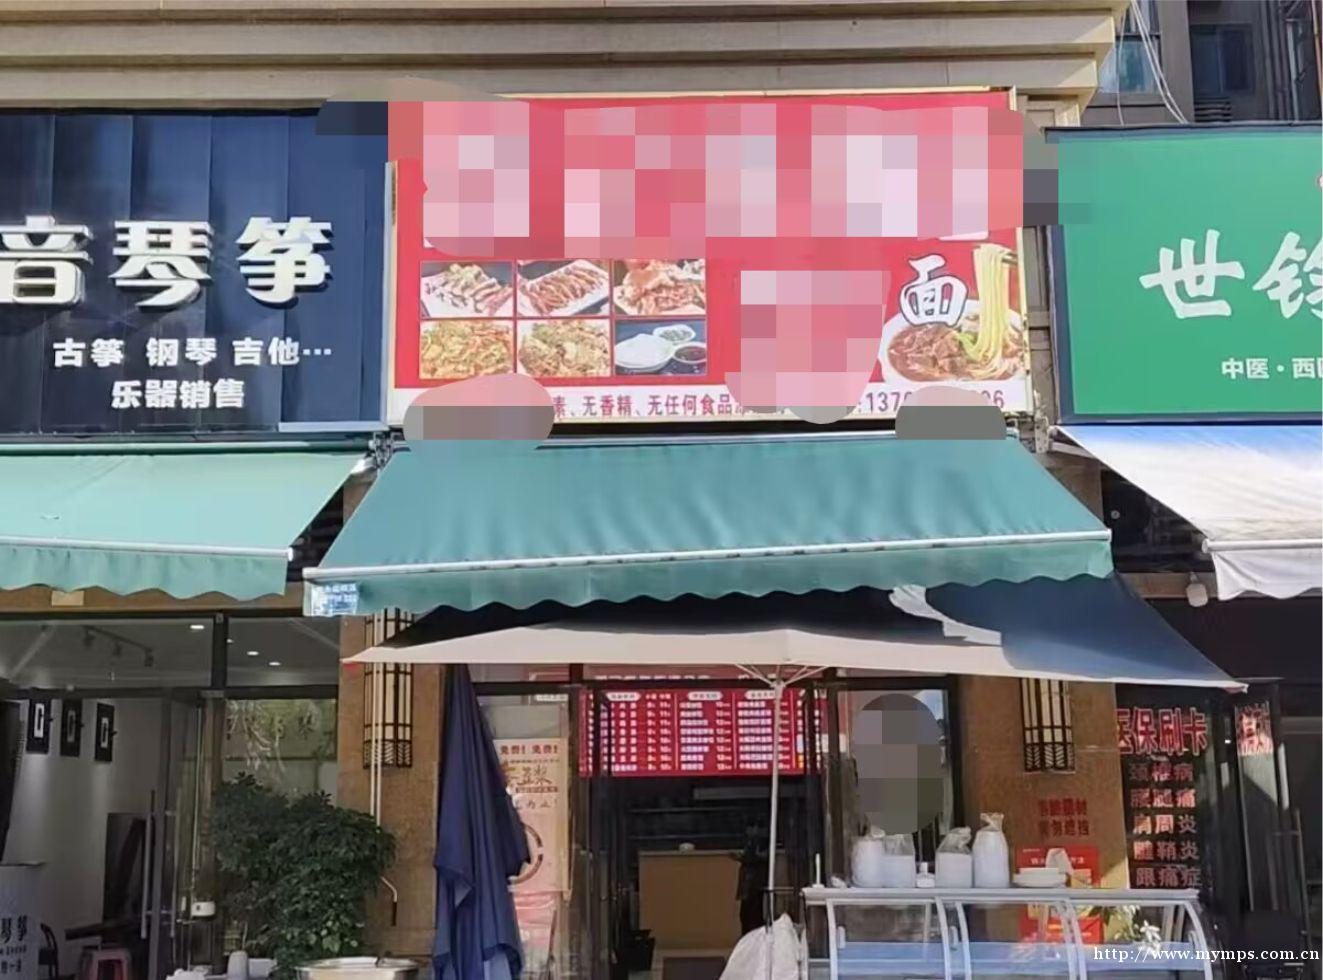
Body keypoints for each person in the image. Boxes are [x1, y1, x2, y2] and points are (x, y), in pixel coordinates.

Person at [735, 822, 768, 935]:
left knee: (753, 914)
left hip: (754, 884)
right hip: (748, 884)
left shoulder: (762, 843)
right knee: (745, 915)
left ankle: (752, 936)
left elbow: (760, 857)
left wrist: (747, 858)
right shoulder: (750, 842)